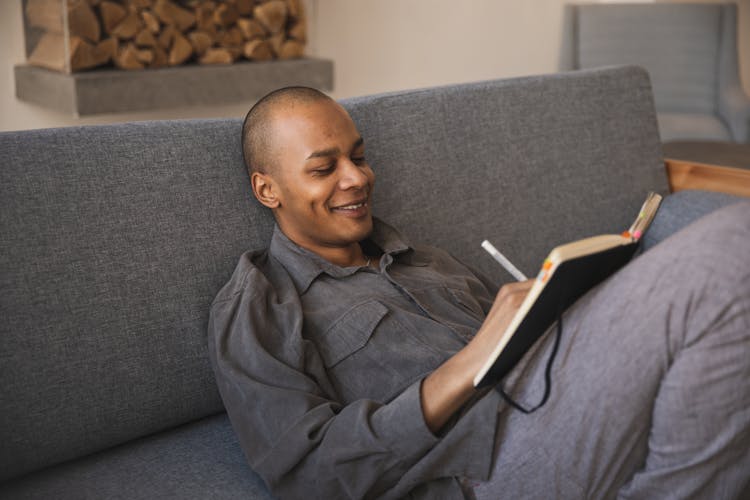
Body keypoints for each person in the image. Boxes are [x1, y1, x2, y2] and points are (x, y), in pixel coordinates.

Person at [208, 87, 750, 499]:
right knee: (733, 242)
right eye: (324, 168)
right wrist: (470, 361)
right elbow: (308, 473)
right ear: (267, 188)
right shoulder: (260, 305)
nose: (357, 178)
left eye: (358, 156)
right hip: (483, 464)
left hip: (556, 397)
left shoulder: (429, 263)